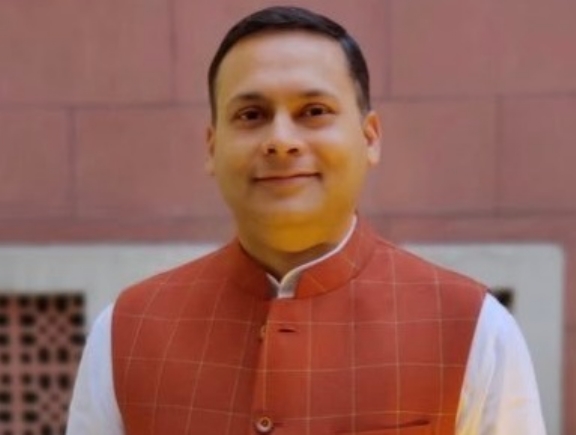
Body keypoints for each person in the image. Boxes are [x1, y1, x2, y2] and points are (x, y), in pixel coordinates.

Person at [66, 5, 546, 435]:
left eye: (314, 111)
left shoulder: (472, 328)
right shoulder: (127, 332)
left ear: (370, 137)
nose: (281, 140)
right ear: (212, 147)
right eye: (251, 115)